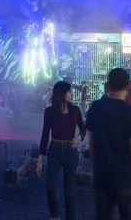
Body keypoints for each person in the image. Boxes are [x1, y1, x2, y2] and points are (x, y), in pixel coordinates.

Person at [86, 68, 131, 220]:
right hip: (126, 175)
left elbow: (91, 142)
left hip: (103, 173)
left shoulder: (96, 107)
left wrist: (94, 168)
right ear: (126, 86)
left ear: (108, 85)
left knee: (103, 215)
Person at [37, 81, 86, 220]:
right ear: (61, 94)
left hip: (70, 152)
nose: (72, 94)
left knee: (69, 192)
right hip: (55, 150)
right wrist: (40, 159)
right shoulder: (49, 112)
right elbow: (45, 134)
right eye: (69, 91)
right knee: (50, 187)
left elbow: (83, 128)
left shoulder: (75, 110)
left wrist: (79, 137)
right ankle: (55, 216)